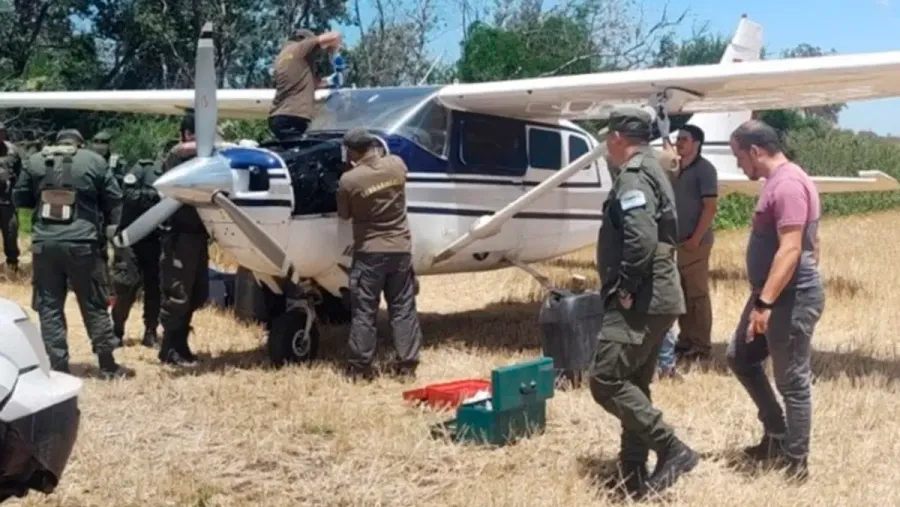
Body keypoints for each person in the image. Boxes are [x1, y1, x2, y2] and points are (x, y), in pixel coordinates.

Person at [589, 106, 697, 499]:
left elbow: (640, 238)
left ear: (618, 137)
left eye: (608, 137)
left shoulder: (634, 175)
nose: (606, 144)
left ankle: (671, 448)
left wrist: (626, 286)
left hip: (643, 297)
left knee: (605, 379)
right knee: (634, 381)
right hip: (658, 295)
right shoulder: (651, 167)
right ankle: (632, 472)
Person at [726, 119, 825, 483]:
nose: (738, 165)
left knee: (792, 382)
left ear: (755, 151)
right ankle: (776, 433)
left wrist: (766, 303)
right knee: (740, 357)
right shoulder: (778, 182)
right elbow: (815, 244)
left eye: (739, 156)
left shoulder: (788, 184)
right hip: (771, 293)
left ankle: (796, 462)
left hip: (787, 298)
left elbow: (792, 248)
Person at [12, 128, 134, 380]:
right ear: (80, 143)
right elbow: (114, 199)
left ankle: (58, 367)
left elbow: (20, 198)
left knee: (49, 305)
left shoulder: (35, 161)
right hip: (83, 244)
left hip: (45, 243)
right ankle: (107, 365)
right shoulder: (94, 161)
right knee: (93, 303)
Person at [337, 128, 422, 381]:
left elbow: (344, 214)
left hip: (369, 253)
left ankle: (361, 369)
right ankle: (407, 366)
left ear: (350, 152)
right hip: (400, 250)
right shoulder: (396, 164)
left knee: (365, 311)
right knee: (403, 308)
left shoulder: (349, 180)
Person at [157, 114, 209, 367]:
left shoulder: (206, 158)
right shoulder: (176, 157)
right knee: (178, 295)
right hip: (180, 237)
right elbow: (177, 154)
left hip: (199, 235)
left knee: (198, 294)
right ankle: (169, 348)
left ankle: (181, 344)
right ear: (187, 134)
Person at [671, 124, 718, 362]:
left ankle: (701, 345)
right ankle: (685, 340)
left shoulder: (705, 169)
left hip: (695, 243)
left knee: (697, 295)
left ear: (696, 144)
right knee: (681, 293)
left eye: (684, 139)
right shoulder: (675, 168)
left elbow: (710, 207)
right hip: (677, 242)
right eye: (678, 138)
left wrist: (696, 239)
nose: (679, 143)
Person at [110, 157, 164, 349]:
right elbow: (128, 194)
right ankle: (117, 330)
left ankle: (151, 332)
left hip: (156, 239)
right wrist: (157, 196)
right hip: (131, 237)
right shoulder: (143, 168)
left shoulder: (180, 175)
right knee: (127, 285)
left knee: (155, 288)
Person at [269, 28, 342, 142]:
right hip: (294, 117)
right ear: (303, 39)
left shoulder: (281, 57)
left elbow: (301, 84)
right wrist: (334, 49)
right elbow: (334, 36)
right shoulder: (300, 48)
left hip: (278, 116)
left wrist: (329, 81)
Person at [0, 124, 21, 272]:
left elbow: (20, 172)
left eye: (2, 132)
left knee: (11, 232)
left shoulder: (12, 151)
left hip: (7, 201)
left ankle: (12, 264)